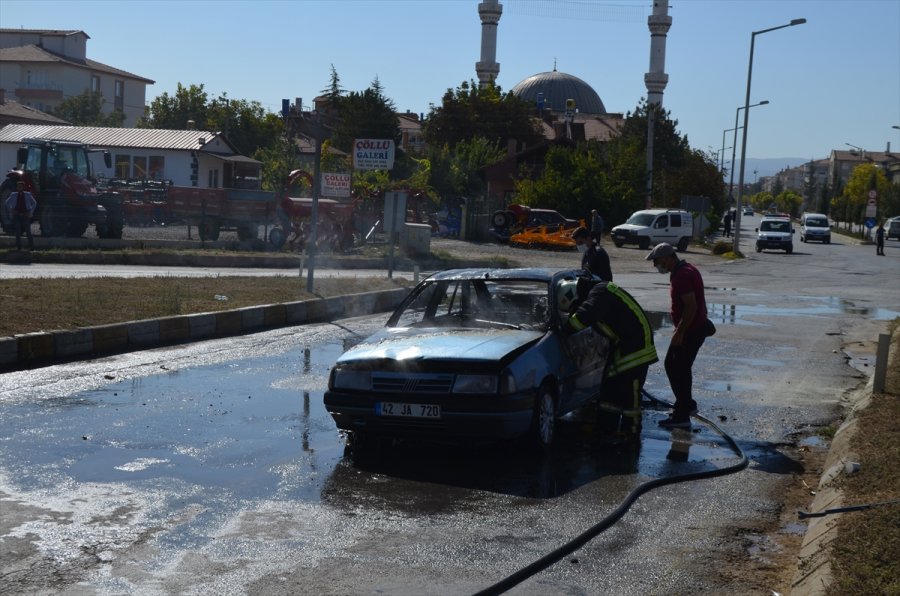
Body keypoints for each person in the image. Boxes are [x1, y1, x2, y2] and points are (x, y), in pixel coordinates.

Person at [562, 277, 658, 435]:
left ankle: (631, 434)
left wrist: (565, 329)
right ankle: (606, 429)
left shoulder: (600, 292)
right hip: (623, 344)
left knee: (629, 393)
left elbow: (585, 315)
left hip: (636, 347)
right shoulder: (599, 291)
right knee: (610, 388)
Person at [646, 242, 712, 429]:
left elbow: (691, 307)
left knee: (674, 366)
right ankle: (686, 406)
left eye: (657, 261)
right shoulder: (688, 269)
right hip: (695, 328)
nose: (656, 266)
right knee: (681, 368)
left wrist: (679, 332)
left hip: (691, 330)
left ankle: (682, 413)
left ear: (667, 257)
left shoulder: (682, 275)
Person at [4, 180, 36, 251]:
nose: (19, 188)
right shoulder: (13, 194)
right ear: (17, 188)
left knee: (28, 231)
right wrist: (11, 210)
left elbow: (34, 203)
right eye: (18, 187)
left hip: (25, 214)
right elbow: (6, 203)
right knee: (18, 231)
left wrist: (30, 212)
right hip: (17, 215)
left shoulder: (28, 194)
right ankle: (19, 247)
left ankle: (31, 247)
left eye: (20, 187)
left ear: (23, 187)